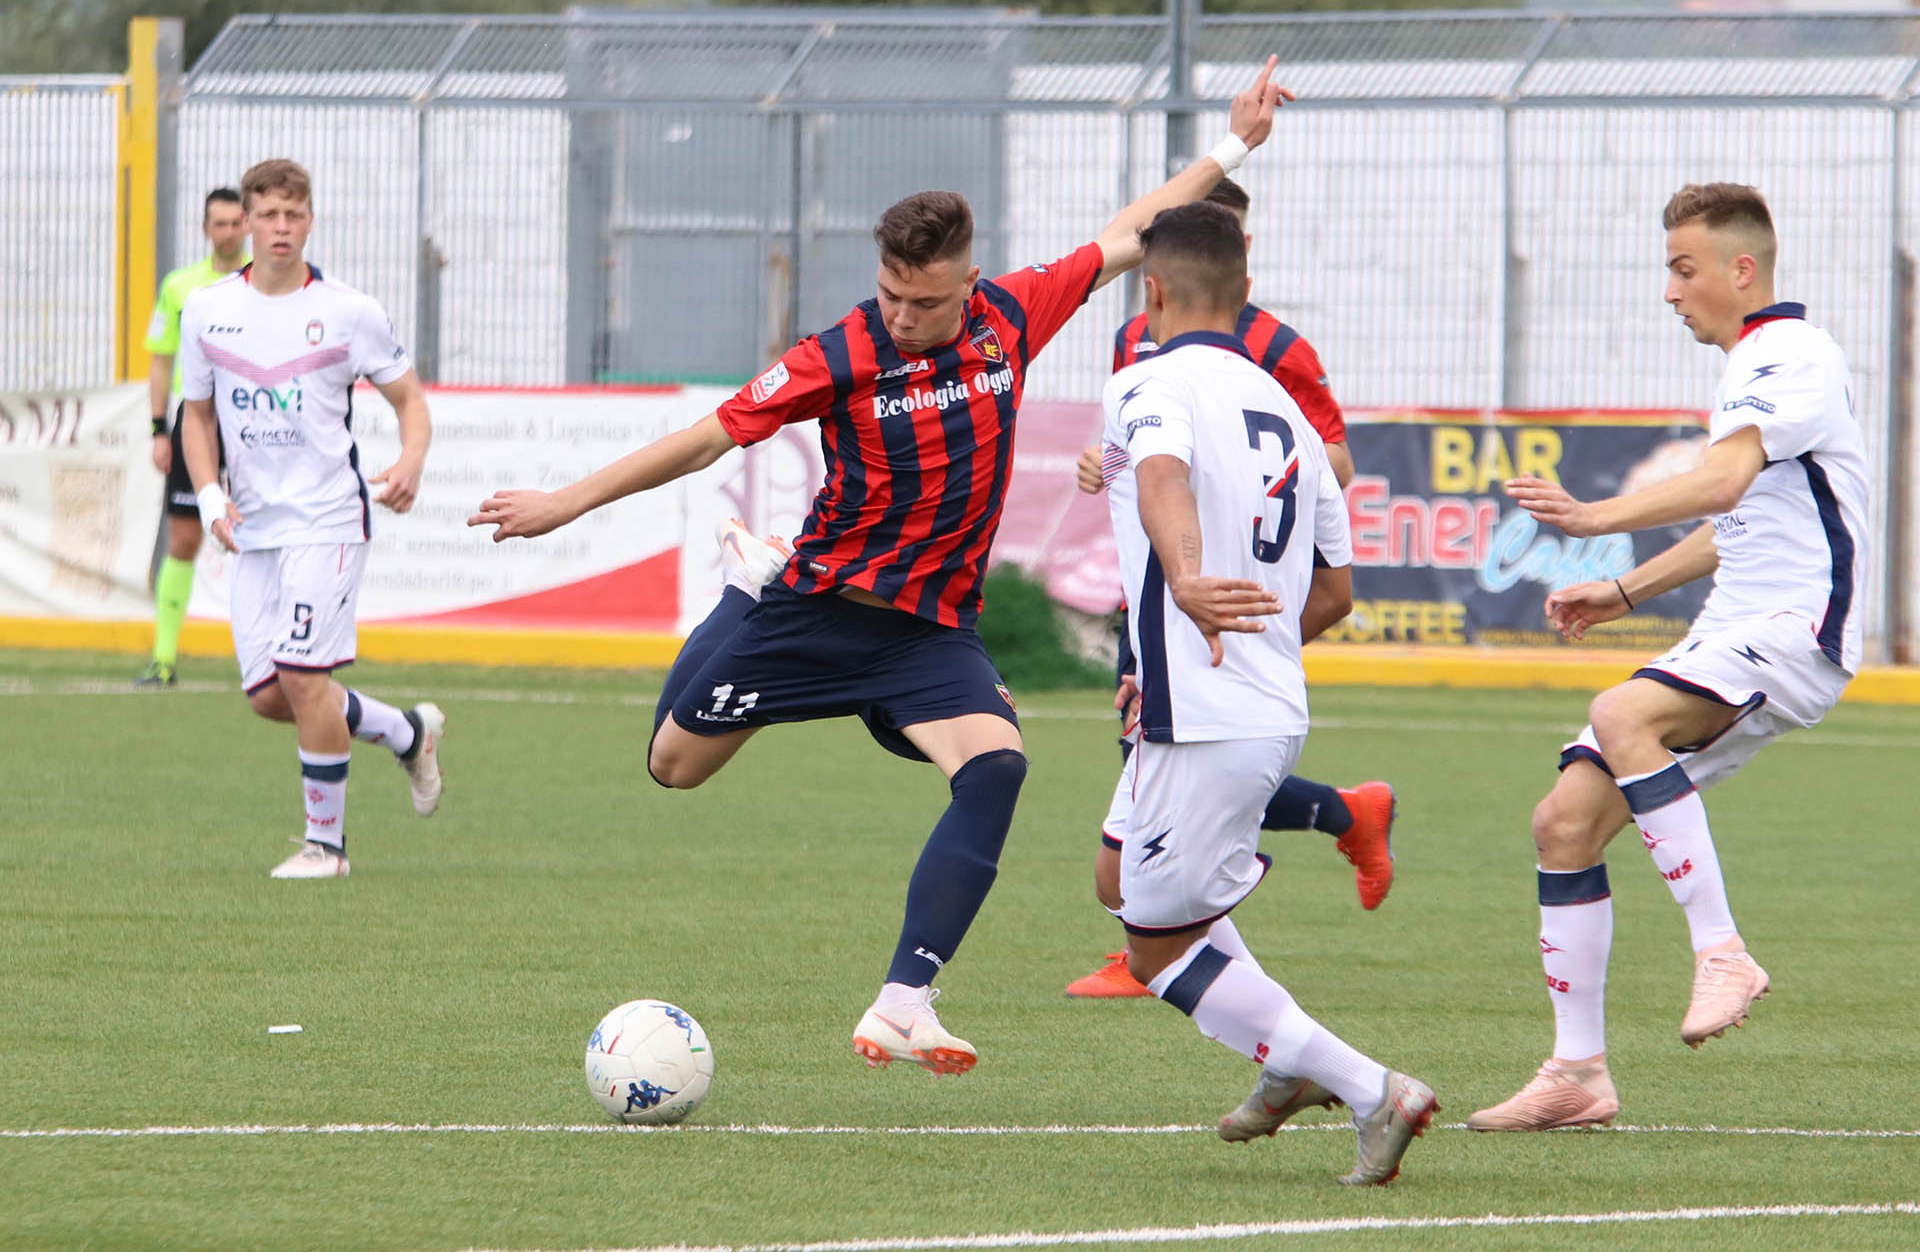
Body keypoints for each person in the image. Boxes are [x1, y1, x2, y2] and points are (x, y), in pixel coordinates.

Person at [468, 59, 1294, 1075]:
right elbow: (704, 438)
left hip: (926, 631)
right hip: (816, 609)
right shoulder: (841, 352)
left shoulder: (1015, 316)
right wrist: (565, 501)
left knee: (996, 768)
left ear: (967, 279)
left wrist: (1237, 144)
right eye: (892, 294)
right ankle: (746, 584)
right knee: (670, 767)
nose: (903, 315)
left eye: (924, 299)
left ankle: (907, 996)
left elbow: (1137, 230)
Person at [1468, 183, 1868, 1131]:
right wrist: (1622, 592)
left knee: (1622, 714)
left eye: (1683, 270)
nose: (1671, 291)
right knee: (1563, 822)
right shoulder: (1750, 369)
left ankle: (1723, 949)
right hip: (1735, 624)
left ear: (1742, 269)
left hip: (1796, 626)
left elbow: (1723, 479)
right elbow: (1739, 518)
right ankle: (1578, 1076)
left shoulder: (1791, 354)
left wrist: (1595, 519)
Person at [1099, 200, 1435, 1185]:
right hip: (1267, 707)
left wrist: (1193, 584)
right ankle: (1286, 1067)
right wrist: (1240, 643)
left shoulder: (1147, 380)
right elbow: (1336, 589)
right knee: (1138, 887)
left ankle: (1372, 1088)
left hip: (1204, 719)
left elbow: (1161, 472)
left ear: (1151, 292)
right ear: (1245, 296)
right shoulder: (1286, 409)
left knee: (1155, 948)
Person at [1065, 178, 1394, 1001]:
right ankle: (1293, 1049)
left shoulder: (1276, 358)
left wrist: (1191, 580)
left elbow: (1181, 475)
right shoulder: (1140, 353)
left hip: (1207, 646)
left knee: (1155, 930)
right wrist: (1109, 465)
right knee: (1121, 884)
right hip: (1192, 649)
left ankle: (1351, 1081)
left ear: (1156, 283)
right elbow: (1144, 463)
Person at [179, 158, 447, 880]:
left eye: (293, 215)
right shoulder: (207, 310)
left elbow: (411, 401)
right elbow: (195, 417)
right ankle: (406, 732)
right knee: (274, 697)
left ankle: (325, 847)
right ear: (248, 219)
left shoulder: (349, 311)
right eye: (267, 214)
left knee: (304, 678)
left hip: (329, 519)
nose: (280, 228)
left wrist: (411, 460)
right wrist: (208, 496)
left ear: (310, 220)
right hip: (254, 529)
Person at [137, 187, 249, 686]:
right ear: (206, 229)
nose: (227, 232)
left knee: (265, 533)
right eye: (218, 223)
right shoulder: (181, 286)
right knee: (183, 537)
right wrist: (159, 427)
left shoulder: (264, 284)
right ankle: (164, 660)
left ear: (248, 225)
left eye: (234, 222)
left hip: (254, 421)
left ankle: (271, 660)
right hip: (195, 420)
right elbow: (161, 358)